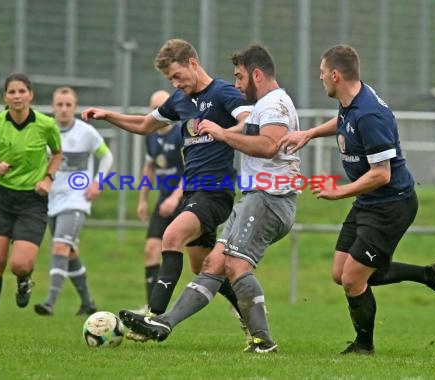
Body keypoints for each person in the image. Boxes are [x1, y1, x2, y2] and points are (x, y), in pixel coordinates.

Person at [118, 44, 300, 353]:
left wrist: (222, 133)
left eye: (240, 77)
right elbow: (147, 124)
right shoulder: (263, 103)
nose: (238, 85)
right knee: (213, 264)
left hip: (269, 198)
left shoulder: (273, 103)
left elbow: (269, 146)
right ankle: (168, 323)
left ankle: (161, 319)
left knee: (234, 267)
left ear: (256, 74)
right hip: (254, 197)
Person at [279, 44, 435, 355]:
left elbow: (381, 174)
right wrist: (308, 133)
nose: (320, 80)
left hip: (391, 205)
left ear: (335, 75)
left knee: (352, 279)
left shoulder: (370, 114)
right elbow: (344, 123)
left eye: (321, 75)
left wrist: (338, 192)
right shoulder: (352, 100)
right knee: (341, 272)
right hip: (370, 202)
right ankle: (428, 275)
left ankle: (364, 345)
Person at [82, 38, 252, 340]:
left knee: (170, 235)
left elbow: (250, 122)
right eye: (170, 79)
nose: (175, 82)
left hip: (216, 191)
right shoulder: (179, 99)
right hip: (193, 193)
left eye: (177, 76)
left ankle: (152, 317)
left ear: (193, 63)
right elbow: (146, 124)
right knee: (207, 267)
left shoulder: (223, 92)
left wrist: (222, 131)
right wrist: (109, 116)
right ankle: (248, 309)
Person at [0, 73, 63, 327]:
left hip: (32, 201)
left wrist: (48, 178)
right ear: (5, 97)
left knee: (20, 264)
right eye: (11, 92)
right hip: (0, 198)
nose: (16, 96)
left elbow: (57, 153)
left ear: (30, 95)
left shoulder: (46, 124)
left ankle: (24, 281)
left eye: (21, 91)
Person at [34, 86, 114, 317]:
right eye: (59, 104)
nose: (64, 109)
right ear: (53, 107)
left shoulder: (85, 132)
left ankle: (50, 302)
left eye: (68, 105)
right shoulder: (46, 131)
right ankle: (88, 302)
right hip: (50, 200)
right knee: (69, 251)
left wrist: (98, 182)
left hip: (76, 200)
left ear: (74, 107)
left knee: (59, 246)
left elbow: (106, 155)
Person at [132, 90, 184, 315]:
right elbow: (149, 167)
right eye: (154, 106)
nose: (158, 111)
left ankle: (235, 295)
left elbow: (192, 170)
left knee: (201, 260)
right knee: (151, 249)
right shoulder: (151, 136)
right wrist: (143, 200)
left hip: (186, 201)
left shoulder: (181, 132)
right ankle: (153, 308)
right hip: (163, 202)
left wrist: (175, 197)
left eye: (162, 105)